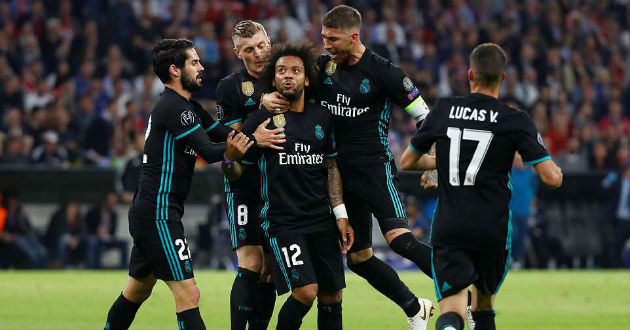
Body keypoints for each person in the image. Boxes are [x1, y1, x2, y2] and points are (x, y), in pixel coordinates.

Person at [262, 6, 434, 329]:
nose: (325, 44)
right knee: (358, 258)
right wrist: (266, 98)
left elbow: (425, 116)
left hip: (374, 170)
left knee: (400, 239)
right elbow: (290, 82)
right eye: (323, 37)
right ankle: (414, 308)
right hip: (338, 176)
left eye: (332, 39)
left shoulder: (385, 73)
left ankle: (459, 288)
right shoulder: (323, 68)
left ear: (354, 37)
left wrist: (432, 162)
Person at [400, 43, 563, 330]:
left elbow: (408, 161)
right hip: (492, 230)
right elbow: (551, 177)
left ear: (470, 74)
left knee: (452, 307)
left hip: (450, 226)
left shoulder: (445, 110)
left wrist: (441, 165)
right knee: (484, 305)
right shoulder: (516, 120)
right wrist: (556, 170)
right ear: (502, 78)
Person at [102, 38, 254, 330]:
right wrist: (241, 146)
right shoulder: (174, 108)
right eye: (194, 62)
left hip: (154, 211)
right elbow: (210, 151)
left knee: (137, 290)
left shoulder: (189, 107)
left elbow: (220, 132)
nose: (202, 67)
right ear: (175, 70)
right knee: (188, 293)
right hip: (158, 214)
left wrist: (259, 130)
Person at [227, 41, 354, 330]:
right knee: (306, 292)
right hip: (284, 223)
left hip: (321, 219)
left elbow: (331, 167)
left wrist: (340, 213)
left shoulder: (322, 118)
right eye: (282, 70)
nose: (288, 76)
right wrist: (229, 157)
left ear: (306, 79)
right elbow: (235, 173)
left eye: (295, 71)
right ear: (273, 79)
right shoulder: (260, 120)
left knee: (332, 295)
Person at [215, 20, 282, 330]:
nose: (258, 54)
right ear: (236, 53)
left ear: (269, 41)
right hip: (245, 182)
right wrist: (260, 105)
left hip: (281, 185)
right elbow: (232, 147)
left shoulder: (287, 74)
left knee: (270, 269)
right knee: (251, 263)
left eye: (261, 46)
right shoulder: (229, 87)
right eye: (249, 50)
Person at [86, 192, 128, 269]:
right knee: (93, 241)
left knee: (124, 242)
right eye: (111, 200)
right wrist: (97, 233)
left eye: (115, 201)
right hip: (96, 237)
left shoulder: (114, 214)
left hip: (108, 238)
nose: (113, 203)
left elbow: (113, 231)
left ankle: (124, 268)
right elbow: (89, 228)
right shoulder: (94, 212)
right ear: (106, 200)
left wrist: (108, 236)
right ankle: (94, 268)